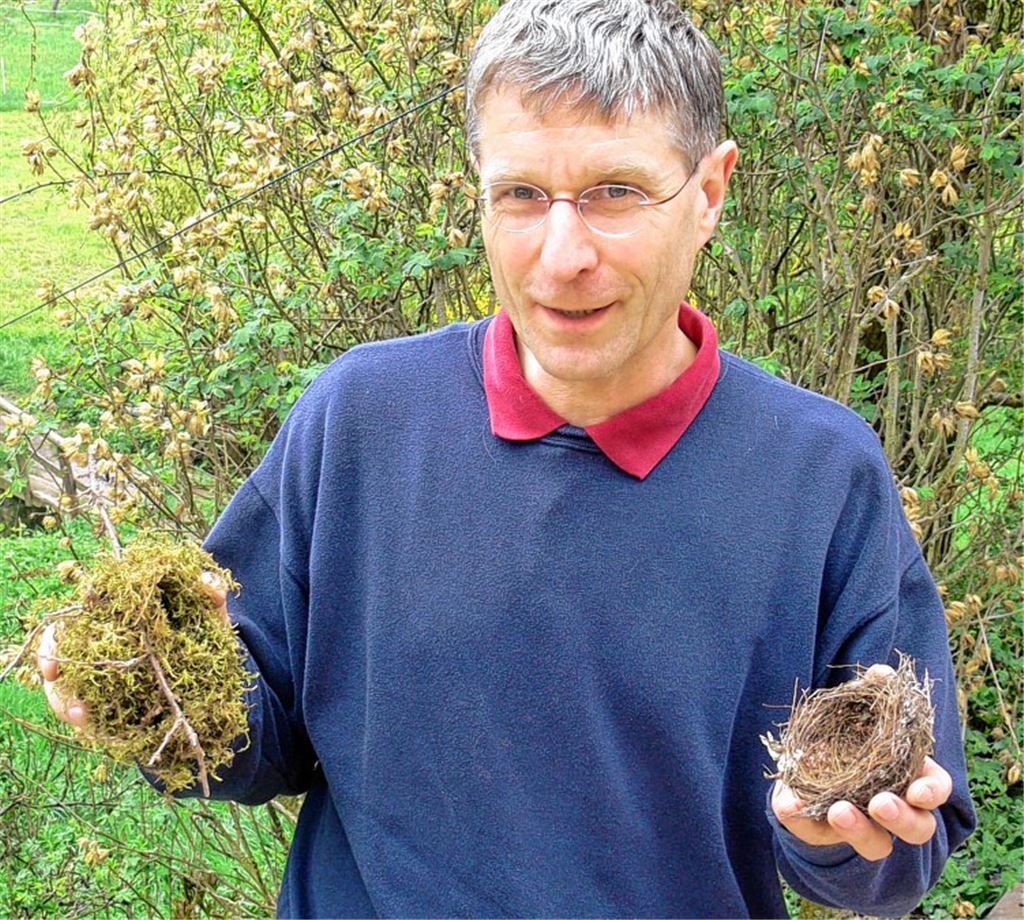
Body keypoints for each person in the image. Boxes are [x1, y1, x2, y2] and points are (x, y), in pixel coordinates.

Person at [39, 0, 976, 916]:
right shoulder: (359, 420)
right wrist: (147, 696)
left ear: (709, 194)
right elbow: (256, 733)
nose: (563, 254)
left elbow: (903, 845)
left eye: (616, 192)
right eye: (522, 195)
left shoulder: (818, 475)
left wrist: (838, 840)